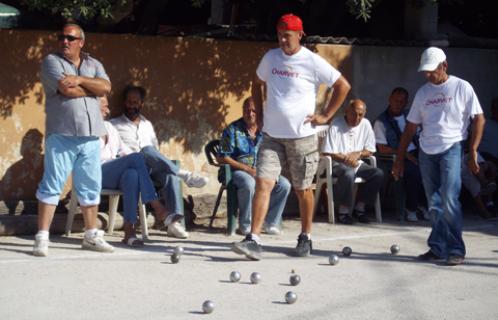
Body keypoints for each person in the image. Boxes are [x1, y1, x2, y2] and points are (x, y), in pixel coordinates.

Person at [232, 13, 351, 260]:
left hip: (302, 138)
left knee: (302, 189)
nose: (283, 40)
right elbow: (257, 82)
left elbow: (343, 86)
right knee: (263, 182)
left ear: (300, 35)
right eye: (279, 35)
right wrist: (261, 112)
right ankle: (253, 239)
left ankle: (306, 236)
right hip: (272, 136)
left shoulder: (312, 61)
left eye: (287, 35)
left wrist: (326, 115)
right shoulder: (270, 57)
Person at [392, 47, 485, 266]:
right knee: (434, 203)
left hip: (452, 147)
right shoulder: (423, 93)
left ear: (444, 66)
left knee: (449, 200)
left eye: (431, 71)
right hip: (427, 152)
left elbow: (479, 119)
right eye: (425, 72)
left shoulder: (462, 87)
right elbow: (410, 128)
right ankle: (437, 247)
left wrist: (472, 150)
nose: (427, 75)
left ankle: (455, 249)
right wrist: (399, 158)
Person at [33, 23, 114, 256]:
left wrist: (78, 80)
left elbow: (106, 87)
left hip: (90, 136)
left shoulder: (94, 63)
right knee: (52, 184)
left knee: (90, 187)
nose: (64, 41)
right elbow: (65, 90)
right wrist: (93, 88)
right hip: (62, 135)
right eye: (62, 37)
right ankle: (42, 237)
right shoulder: (52, 61)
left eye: (70, 38)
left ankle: (91, 236)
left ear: (81, 42)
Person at [110, 84, 206, 238]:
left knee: (170, 177)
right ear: (123, 103)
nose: (131, 106)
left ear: (141, 104)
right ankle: (185, 175)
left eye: (135, 102)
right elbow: (113, 152)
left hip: (151, 167)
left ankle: (174, 224)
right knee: (146, 151)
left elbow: (155, 151)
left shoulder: (147, 125)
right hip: (132, 168)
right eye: (129, 102)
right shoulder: (114, 124)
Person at [99, 96, 184, 246]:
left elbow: (124, 151)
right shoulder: (84, 129)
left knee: (132, 174)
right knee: (137, 158)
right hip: (95, 173)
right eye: (104, 107)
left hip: (114, 171)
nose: (108, 110)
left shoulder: (109, 128)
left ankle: (129, 232)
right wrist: (134, 160)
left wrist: (133, 162)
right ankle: (158, 208)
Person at [217, 97, 291, 235]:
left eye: (253, 110)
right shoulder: (231, 129)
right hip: (236, 171)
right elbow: (221, 156)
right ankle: (246, 223)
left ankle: (270, 222)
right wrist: (247, 169)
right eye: (247, 110)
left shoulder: (267, 131)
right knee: (249, 183)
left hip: (263, 170)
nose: (250, 114)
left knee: (284, 185)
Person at [322, 99, 384, 224]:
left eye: (361, 115)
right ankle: (343, 211)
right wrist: (347, 159)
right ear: (346, 111)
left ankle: (360, 209)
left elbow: (370, 150)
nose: (357, 118)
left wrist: (359, 154)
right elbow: (328, 152)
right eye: (354, 114)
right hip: (336, 163)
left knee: (378, 173)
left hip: (357, 162)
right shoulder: (336, 124)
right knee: (348, 173)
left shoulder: (365, 124)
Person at [373, 87, 428, 222]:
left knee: (431, 168)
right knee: (412, 171)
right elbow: (382, 148)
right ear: (389, 100)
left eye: (402, 102)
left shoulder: (411, 117)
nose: (398, 104)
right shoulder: (381, 121)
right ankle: (411, 208)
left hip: (416, 152)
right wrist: (404, 155)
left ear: (406, 103)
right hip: (395, 157)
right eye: (396, 101)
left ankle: (425, 206)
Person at [461, 151, 496, 219]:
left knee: (475, 156)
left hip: (470, 156)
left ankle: (489, 198)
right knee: (474, 186)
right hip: (460, 162)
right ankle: (483, 210)